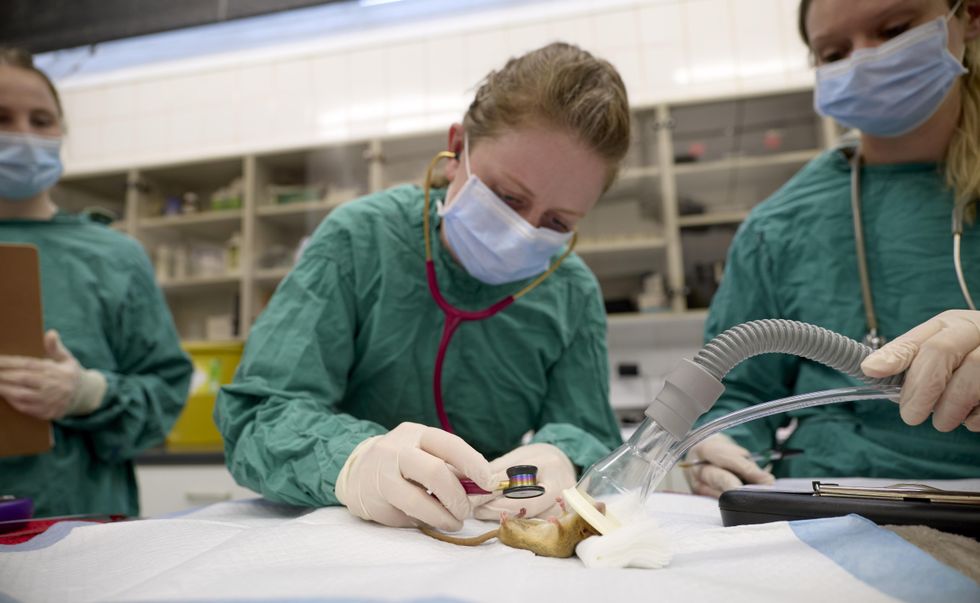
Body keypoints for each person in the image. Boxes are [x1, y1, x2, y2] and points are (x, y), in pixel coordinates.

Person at [215, 42, 629, 531]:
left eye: (557, 220)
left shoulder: (571, 291)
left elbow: (589, 432)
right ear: (457, 151)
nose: (523, 230)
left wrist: (563, 456)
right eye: (507, 196)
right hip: (345, 529)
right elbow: (260, 413)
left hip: (483, 539)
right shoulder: (360, 240)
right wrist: (352, 460)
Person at [686, 0, 980, 497]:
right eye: (833, 51)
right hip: (830, 504)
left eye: (894, 28)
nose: (864, 59)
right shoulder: (779, 226)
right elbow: (738, 388)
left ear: (968, 15)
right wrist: (722, 445)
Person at [0, 48, 192, 516]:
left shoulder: (113, 256)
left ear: (61, 133)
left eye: (41, 120)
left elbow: (165, 393)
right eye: (2, 117)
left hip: (80, 525)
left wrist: (86, 393)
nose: (23, 134)